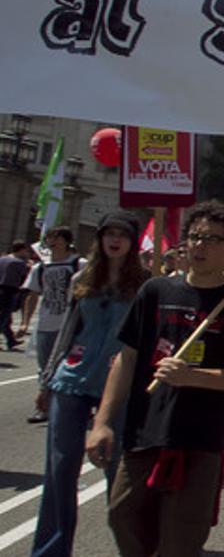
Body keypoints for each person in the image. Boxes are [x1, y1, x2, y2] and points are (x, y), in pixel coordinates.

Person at [84, 200, 224, 556]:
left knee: (181, 538)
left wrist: (192, 377)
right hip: (144, 430)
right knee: (122, 514)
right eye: (195, 237)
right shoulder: (156, 291)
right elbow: (127, 359)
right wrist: (102, 422)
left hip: (200, 439)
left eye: (212, 239)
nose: (200, 245)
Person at [32, 211, 150, 557]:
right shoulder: (83, 277)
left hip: (119, 386)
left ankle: (134, 548)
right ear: (99, 239)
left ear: (132, 242)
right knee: (59, 470)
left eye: (122, 234)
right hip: (70, 379)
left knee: (119, 473)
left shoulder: (145, 284)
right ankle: (50, 551)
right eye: (108, 233)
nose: (115, 240)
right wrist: (46, 381)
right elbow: (67, 331)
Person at [22, 227, 85, 423]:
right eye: (49, 237)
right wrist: (25, 322)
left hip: (72, 324)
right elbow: (32, 295)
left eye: (56, 237)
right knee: (44, 368)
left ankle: (68, 404)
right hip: (45, 324)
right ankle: (44, 407)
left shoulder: (79, 264)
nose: (52, 241)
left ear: (67, 241)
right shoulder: (40, 267)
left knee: (68, 367)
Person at [0, 241, 33, 350]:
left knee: (6, 318)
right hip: (9, 291)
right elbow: (26, 277)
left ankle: (11, 340)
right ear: (22, 250)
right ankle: (10, 340)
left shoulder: (2, 259)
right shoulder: (19, 263)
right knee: (4, 316)